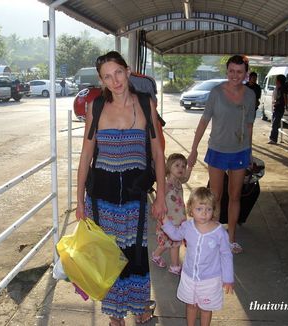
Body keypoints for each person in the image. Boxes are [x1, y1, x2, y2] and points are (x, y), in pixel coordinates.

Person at [75, 51, 166, 326]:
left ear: (127, 72)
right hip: (102, 196)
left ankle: (139, 308)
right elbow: (85, 155)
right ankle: (116, 315)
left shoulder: (146, 104)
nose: (114, 80)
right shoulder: (97, 107)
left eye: (118, 73)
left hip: (135, 196)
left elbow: (158, 154)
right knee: (109, 255)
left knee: (136, 252)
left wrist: (161, 195)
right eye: (107, 76)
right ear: (102, 80)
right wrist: (79, 200)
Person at [187, 55, 256, 254]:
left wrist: (249, 152)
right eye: (231, 71)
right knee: (215, 197)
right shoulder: (216, 93)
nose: (235, 75)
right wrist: (194, 149)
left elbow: (250, 125)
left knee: (235, 196)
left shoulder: (250, 95)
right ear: (227, 72)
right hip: (217, 149)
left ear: (245, 74)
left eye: (239, 72)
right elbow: (203, 121)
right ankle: (214, 236)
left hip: (240, 151)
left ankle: (231, 238)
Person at [162, 187, 234, 326]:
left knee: (206, 309)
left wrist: (228, 278)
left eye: (208, 209)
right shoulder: (187, 226)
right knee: (191, 305)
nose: (204, 213)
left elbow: (226, 255)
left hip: (210, 280)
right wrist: (164, 220)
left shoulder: (219, 232)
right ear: (191, 209)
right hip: (189, 277)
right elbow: (176, 235)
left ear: (213, 210)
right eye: (199, 209)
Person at [151, 153, 192, 275]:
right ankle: (175, 266)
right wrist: (158, 214)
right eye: (177, 165)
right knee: (174, 243)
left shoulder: (179, 182)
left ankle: (156, 256)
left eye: (183, 166)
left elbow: (186, 178)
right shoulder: (167, 185)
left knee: (168, 243)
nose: (181, 168)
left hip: (178, 220)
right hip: (168, 221)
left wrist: (190, 167)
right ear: (169, 167)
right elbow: (159, 200)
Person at [268, 74, 288, 144]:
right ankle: (272, 138)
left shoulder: (283, 88)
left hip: (280, 107)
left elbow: (285, 97)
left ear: (279, 80)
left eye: (276, 79)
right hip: (276, 107)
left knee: (275, 123)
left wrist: (286, 105)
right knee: (274, 122)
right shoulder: (278, 87)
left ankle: (273, 139)